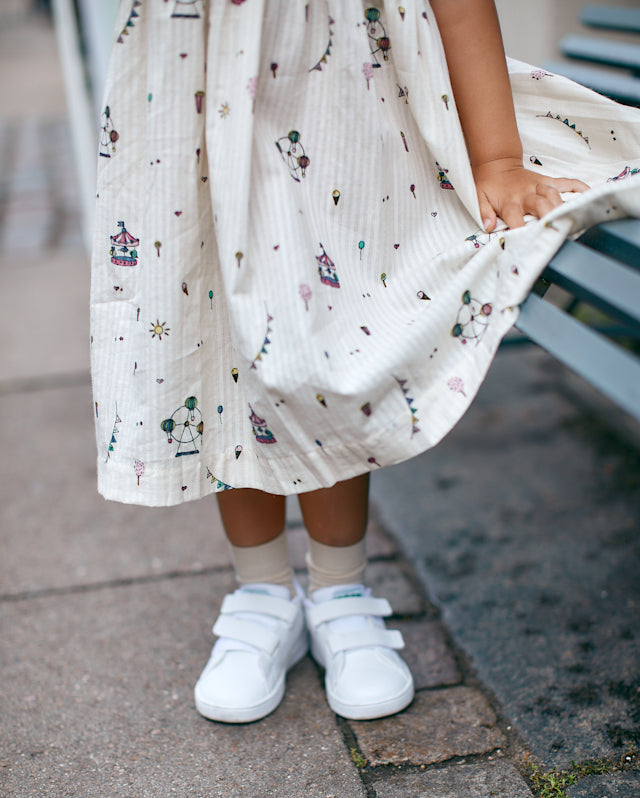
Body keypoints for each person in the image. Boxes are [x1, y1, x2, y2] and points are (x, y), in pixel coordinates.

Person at [90, 0, 640, 724]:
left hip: (335, 103)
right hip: (192, 96)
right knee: (216, 324)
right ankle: (261, 591)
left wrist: (497, 158)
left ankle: (339, 586)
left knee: (332, 328)